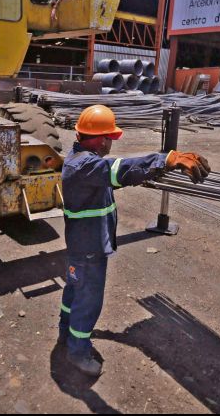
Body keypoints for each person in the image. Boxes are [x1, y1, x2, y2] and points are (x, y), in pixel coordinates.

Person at [58, 105, 210, 377]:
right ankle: (77, 352)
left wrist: (147, 171)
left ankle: (65, 335)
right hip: (90, 249)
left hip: (81, 246)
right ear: (101, 139)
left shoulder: (79, 159)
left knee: (73, 293)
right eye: (110, 140)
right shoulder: (84, 165)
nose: (111, 145)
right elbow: (118, 169)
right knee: (88, 301)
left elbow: (114, 174)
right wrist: (165, 160)